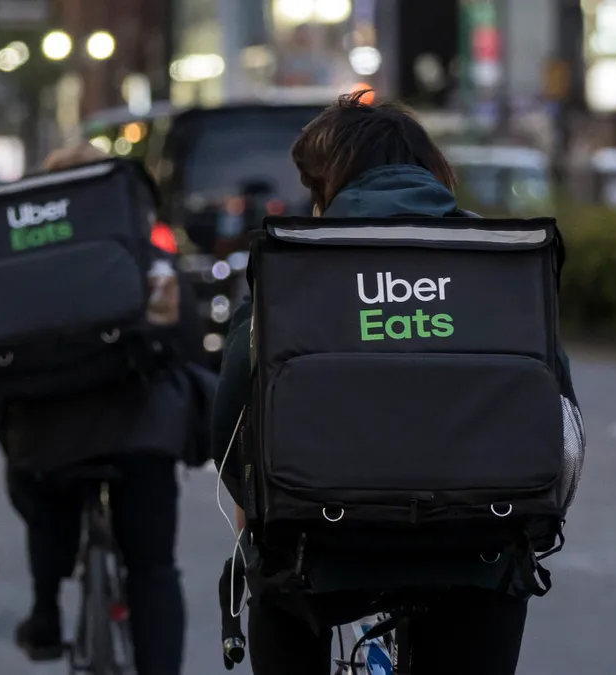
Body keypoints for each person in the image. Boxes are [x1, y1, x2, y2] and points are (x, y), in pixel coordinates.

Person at [211, 92, 577, 674]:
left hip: (319, 555)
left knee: (276, 593)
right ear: (432, 171)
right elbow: (562, 419)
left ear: (324, 186)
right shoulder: (498, 259)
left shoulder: (299, 262)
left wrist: (256, 507)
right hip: (479, 548)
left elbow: (231, 412)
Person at [0, 143, 202, 675]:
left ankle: (45, 608)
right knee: (154, 568)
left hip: (48, 434)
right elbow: (183, 336)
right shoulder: (142, 249)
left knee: (40, 484)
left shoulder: (22, 259)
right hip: (143, 431)